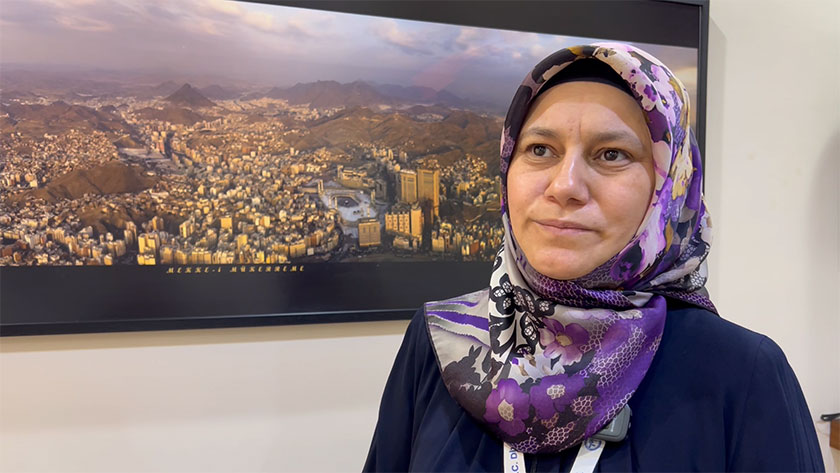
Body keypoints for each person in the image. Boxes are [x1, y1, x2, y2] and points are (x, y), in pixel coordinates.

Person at [363, 43, 824, 472]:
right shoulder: (442, 341)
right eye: (540, 149)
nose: (565, 186)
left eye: (611, 154)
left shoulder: (740, 373)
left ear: (669, 187)